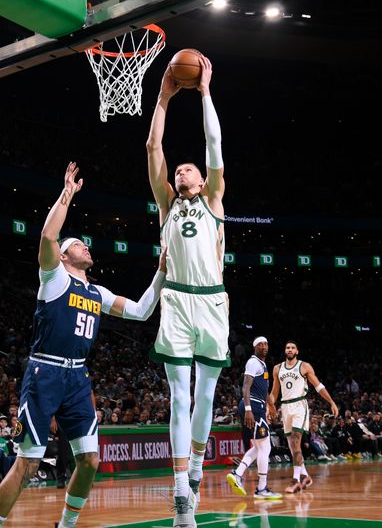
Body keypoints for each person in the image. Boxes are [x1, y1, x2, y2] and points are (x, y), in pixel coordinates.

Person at [0, 162, 167, 528]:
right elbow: (47, 238)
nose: (86, 247)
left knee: (91, 460)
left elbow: (142, 311)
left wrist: (161, 271)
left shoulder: (97, 292)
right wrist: (67, 194)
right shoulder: (53, 278)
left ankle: (65, 525)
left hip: (77, 379)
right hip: (45, 371)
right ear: (65, 256)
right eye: (78, 244)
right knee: (28, 462)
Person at [146, 53, 228, 528]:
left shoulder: (214, 199)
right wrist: (162, 99)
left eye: (188, 169)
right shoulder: (166, 204)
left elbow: (213, 143)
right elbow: (153, 147)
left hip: (213, 299)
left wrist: (204, 92)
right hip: (176, 297)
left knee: (207, 396)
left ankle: (196, 468)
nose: (181, 170)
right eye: (178, 170)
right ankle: (180, 487)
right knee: (180, 396)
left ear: (203, 179)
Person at [268, 341, 338, 494]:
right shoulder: (277, 368)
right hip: (285, 407)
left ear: (297, 351)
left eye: (293, 348)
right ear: (285, 351)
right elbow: (274, 392)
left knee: (295, 440)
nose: (290, 349)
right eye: (287, 347)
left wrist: (331, 401)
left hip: (300, 405)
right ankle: (305, 476)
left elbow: (318, 386)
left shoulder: (304, 366)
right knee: (292, 446)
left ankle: (296, 481)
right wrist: (270, 406)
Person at [226, 337, 281, 499]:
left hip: (258, 406)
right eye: (260, 344)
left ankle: (237, 474)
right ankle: (261, 488)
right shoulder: (253, 362)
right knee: (265, 447)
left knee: (259, 447)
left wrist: (271, 406)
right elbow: (246, 387)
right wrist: (249, 409)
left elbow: (264, 390)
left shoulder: (263, 365)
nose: (264, 346)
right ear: (254, 348)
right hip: (253, 406)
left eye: (266, 344)